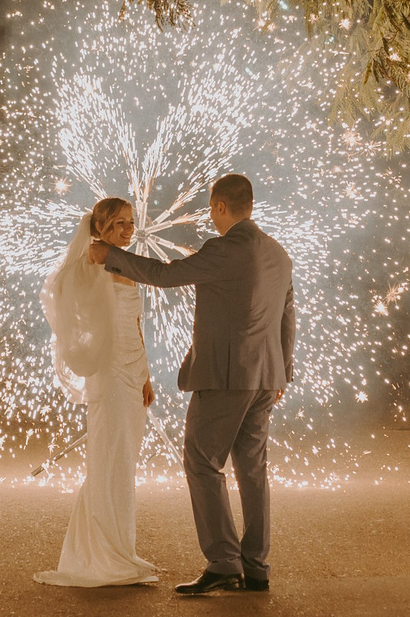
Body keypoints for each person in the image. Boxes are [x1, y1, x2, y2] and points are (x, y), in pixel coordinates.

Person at [92, 173, 294, 595]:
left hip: (225, 377)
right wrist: (282, 372)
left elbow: (167, 275)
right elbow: (287, 318)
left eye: (210, 208)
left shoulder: (225, 249)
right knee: (253, 472)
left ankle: (223, 561)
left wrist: (111, 253)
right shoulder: (279, 254)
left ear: (221, 207)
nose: (210, 216)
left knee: (201, 461)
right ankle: (257, 567)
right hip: (265, 377)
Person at [34, 197, 161, 587]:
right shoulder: (87, 263)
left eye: (131, 222)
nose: (128, 229)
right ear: (100, 226)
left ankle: (120, 547)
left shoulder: (128, 261)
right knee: (108, 457)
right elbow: (63, 300)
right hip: (107, 372)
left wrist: (146, 375)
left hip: (132, 368)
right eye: (120, 223)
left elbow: (136, 322)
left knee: (125, 461)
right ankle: (102, 553)